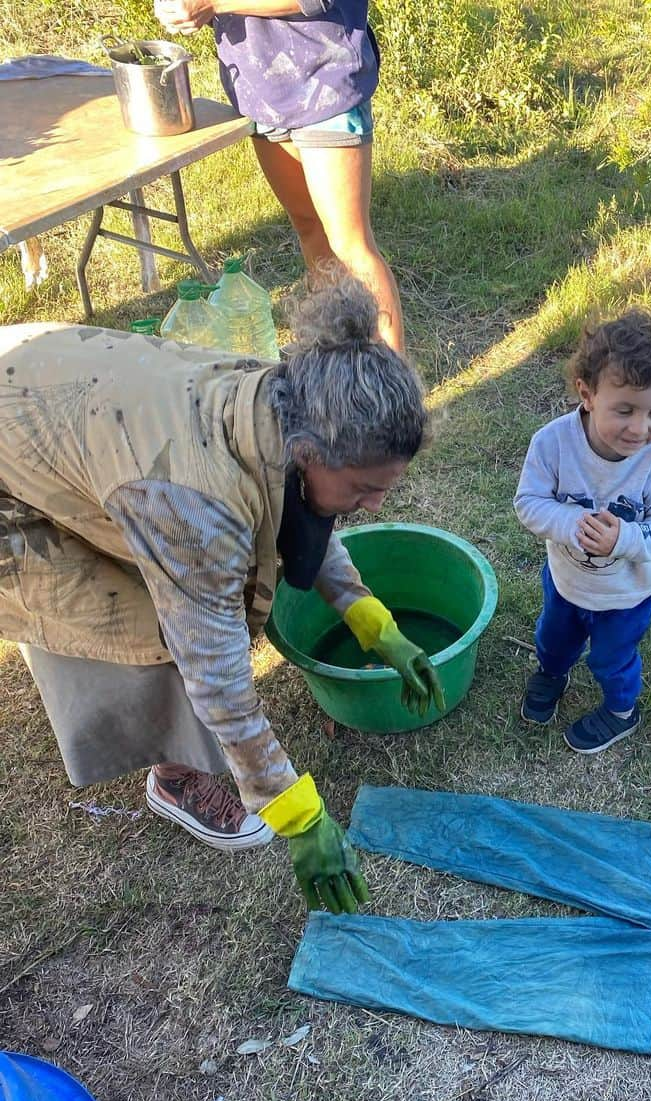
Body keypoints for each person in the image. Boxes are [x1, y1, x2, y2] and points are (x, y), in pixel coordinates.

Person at [0, 278, 442, 913]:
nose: (375, 505)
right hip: (21, 461)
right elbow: (219, 674)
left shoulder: (290, 399)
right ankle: (176, 777)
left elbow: (301, 519)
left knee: (189, 594)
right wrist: (298, 814)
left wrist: (376, 625)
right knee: (150, 622)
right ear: (309, 452)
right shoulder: (195, 507)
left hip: (60, 396)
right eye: (366, 489)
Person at [153, 0, 404, 353]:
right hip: (262, 88)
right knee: (308, 227)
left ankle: (393, 389)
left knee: (350, 245)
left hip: (326, 80)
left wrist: (212, 3)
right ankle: (332, 362)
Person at [513, 309, 651, 753]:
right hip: (567, 581)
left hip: (627, 594)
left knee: (613, 660)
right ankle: (551, 674)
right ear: (587, 394)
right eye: (625, 410)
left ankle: (621, 712)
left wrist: (624, 540)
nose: (640, 428)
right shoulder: (552, 444)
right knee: (552, 640)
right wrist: (572, 524)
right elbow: (529, 503)